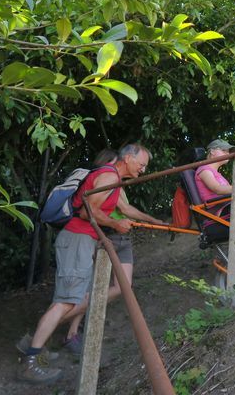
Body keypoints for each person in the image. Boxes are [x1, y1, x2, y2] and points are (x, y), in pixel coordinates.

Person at [18, 144, 152, 384]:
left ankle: (35, 348)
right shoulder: (109, 175)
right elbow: (86, 211)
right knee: (66, 302)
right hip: (77, 238)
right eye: (141, 164)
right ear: (129, 158)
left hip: (81, 240)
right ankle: (30, 359)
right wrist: (115, 224)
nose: (142, 170)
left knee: (68, 300)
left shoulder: (112, 177)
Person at [60, 148, 164, 353]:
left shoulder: (114, 182)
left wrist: (152, 220)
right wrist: (120, 224)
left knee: (107, 287)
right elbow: (112, 211)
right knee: (95, 287)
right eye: (140, 164)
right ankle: (65, 324)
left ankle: (70, 323)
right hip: (108, 236)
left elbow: (126, 208)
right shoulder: (108, 179)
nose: (141, 169)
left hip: (115, 236)